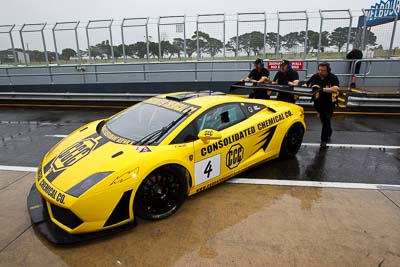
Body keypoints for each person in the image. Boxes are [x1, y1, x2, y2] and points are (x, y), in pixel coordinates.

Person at [306, 62, 339, 148]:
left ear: (327, 70)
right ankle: (329, 130)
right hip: (318, 102)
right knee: (324, 120)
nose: (320, 72)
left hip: (329, 102)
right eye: (319, 70)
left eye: (323, 70)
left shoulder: (333, 77)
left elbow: (335, 89)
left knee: (326, 120)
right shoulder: (315, 76)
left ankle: (323, 140)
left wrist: (322, 89)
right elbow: (306, 85)